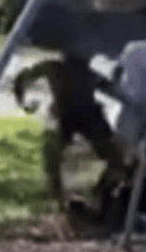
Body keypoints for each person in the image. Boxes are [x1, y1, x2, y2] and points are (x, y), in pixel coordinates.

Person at [13, 56, 130, 214]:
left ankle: (98, 197)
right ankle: (59, 205)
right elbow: (22, 77)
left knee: (116, 161)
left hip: (89, 115)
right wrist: (23, 102)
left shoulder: (88, 72)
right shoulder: (53, 67)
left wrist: (121, 87)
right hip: (64, 116)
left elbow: (113, 89)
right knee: (52, 158)